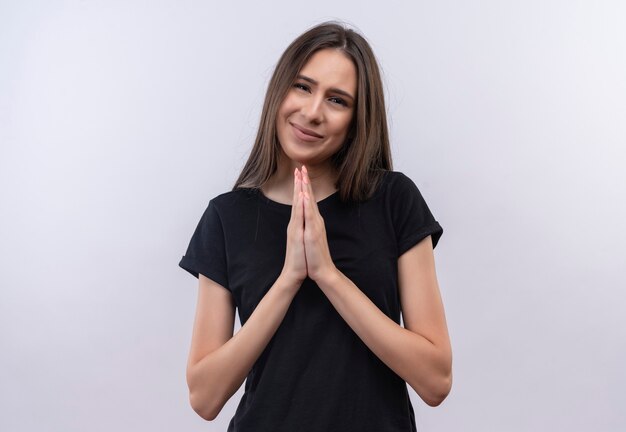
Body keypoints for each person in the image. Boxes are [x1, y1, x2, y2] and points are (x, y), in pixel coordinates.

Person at [179, 21, 452, 432]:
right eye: (303, 87)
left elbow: (435, 380)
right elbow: (204, 396)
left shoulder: (394, 200)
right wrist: (289, 278)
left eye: (337, 100)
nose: (312, 112)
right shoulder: (226, 217)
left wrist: (327, 274)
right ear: (280, 91)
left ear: (357, 119)